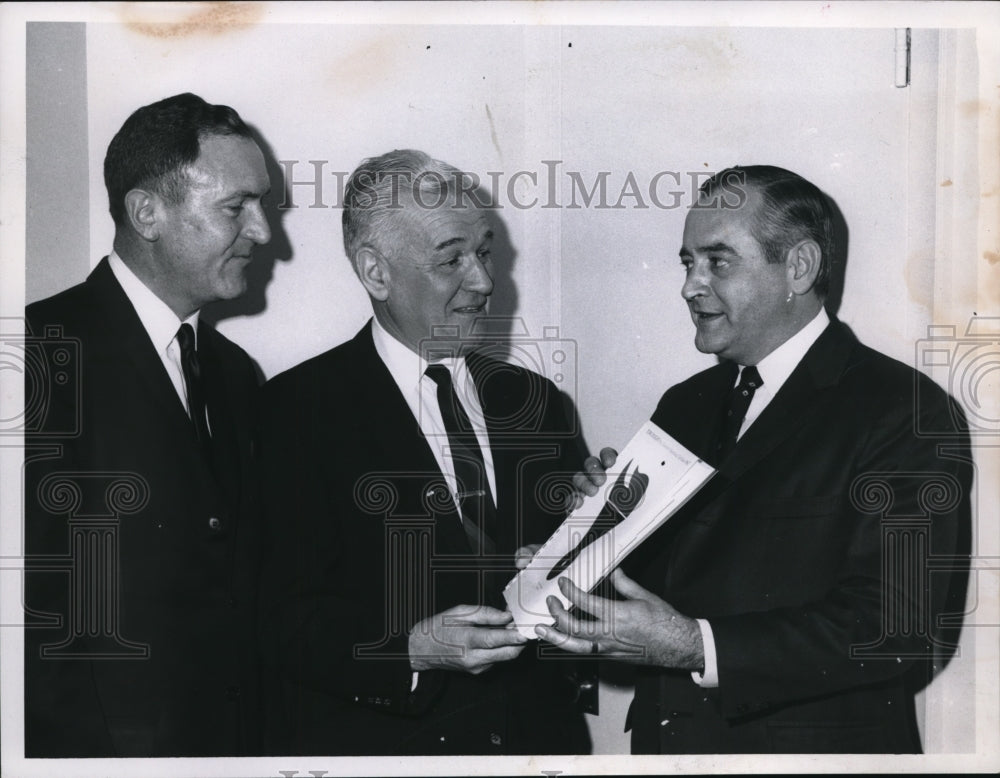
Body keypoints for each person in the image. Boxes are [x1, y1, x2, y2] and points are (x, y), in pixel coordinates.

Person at [534, 165, 972, 754]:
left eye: (718, 261)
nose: (690, 286)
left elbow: (896, 628)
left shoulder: (903, 409)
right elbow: (660, 595)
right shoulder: (685, 405)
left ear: (799, 267)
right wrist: (595, 537)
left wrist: (697, 646)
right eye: (687, 263)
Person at [258, 149, 592, 755]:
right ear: (376, 273)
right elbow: (276, 617)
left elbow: (574, 591)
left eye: (485, 252)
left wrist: (600, 527)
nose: (485, 282)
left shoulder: (538, 402)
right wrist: (410, 649)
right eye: (452, 259)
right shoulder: (292, 413)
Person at [23, 92, 271, 757]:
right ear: (148, 212)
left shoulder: (237, 376)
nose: (263, 233)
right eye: (235, 208)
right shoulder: (35, 354)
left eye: (261, 205)